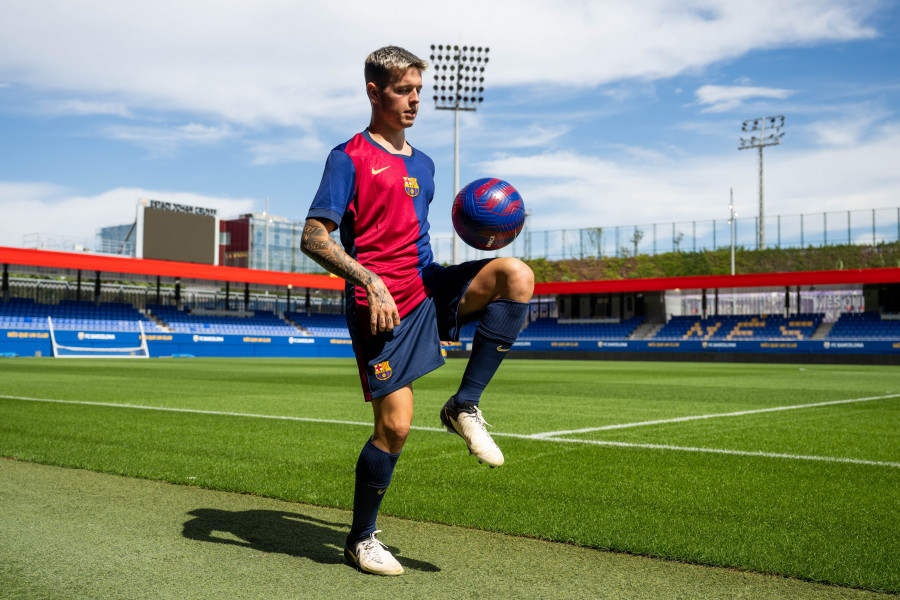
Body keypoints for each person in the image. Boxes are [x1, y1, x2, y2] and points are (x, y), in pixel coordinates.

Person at [300, 45, 534, 576]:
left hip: (426, 287)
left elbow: (414, 237)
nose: (414, 102)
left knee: (515, 274)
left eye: (418, 92)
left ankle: (463, 407)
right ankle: (361, 539)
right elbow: (313, 239)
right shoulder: (348, 157)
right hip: (378, 306)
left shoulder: (425, 164)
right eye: (404, 91)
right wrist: (369, 279)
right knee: (396, 429)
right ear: (374, 91)